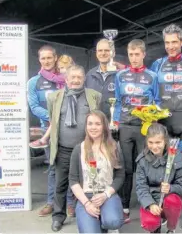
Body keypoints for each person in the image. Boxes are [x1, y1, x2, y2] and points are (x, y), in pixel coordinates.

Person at [150, 23, 182, 230]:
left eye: (174, 42)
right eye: (167, 42)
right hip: (163, 122)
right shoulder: (157, 64)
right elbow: (148, 87)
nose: (171, 46)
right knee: (163, 166)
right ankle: (164, 206)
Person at [47, 65, 101, 232]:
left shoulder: (94, 96)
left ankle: (87, 213)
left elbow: (98, 120)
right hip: (63, 149)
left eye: (79, 77)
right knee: (61, 185)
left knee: (88, 182)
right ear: (66, 79)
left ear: (84, 78)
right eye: (73, 77)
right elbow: (53, 120)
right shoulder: (54, 97)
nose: (76, 80)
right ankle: (58, 216)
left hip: (86, 149)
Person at [113, 39, 159, 223]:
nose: (134, 58)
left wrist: (153, 118)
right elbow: (117, 101)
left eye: (137, 54)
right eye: (131, 54)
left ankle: (145, 205)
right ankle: (124, 207)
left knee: (144, 166)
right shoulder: (120, 75)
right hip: (124, 126)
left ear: (143, 54)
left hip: (143, 128)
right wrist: (115, 121)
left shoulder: (152, 76)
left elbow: (157, 101)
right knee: (126, 168)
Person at [29, 54, 77, 217]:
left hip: (69, 130)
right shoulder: (35, 81)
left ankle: (70, 203)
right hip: (49, 129)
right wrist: (54, 116)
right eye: (43, 58)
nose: (47, 61)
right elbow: (34, 107)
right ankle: (51, 202)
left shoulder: (65, 81)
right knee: (53, 169)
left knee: (71, 168)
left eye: (50, 58)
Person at [69, 110, 125, 233]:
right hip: (86, 196)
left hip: (107, 194)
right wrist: (87, 204)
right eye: (90, 124)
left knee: (113, 221)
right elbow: (73, 180)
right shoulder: (79, 149)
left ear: (104, 126)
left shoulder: (114, 147)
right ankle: (94, 223)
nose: (93, 127)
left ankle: (106, 220)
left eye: (97, 124)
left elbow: (120, 176)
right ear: (86, 126)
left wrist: (106, 194)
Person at [136, 123, 182, 233]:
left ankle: (171, 228)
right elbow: (141, 187)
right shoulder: (142, 160)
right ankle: (155, 227)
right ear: (146, 141)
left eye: (158, 142)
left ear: (165, 141)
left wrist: (170, 188)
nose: (154, 146)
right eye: (151, 142)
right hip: (151, 197)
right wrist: (150, 204)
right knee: (150, 223)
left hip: (169, 198)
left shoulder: (176, 156)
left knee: (173, 201)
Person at [85, 38, 126, 128]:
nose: (103, 53)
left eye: (107, 50)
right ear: (96, 53)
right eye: (100, 50)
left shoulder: (121, 75)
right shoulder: (89, 75)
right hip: (95, 126)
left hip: (117, 125)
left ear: (113, 53)